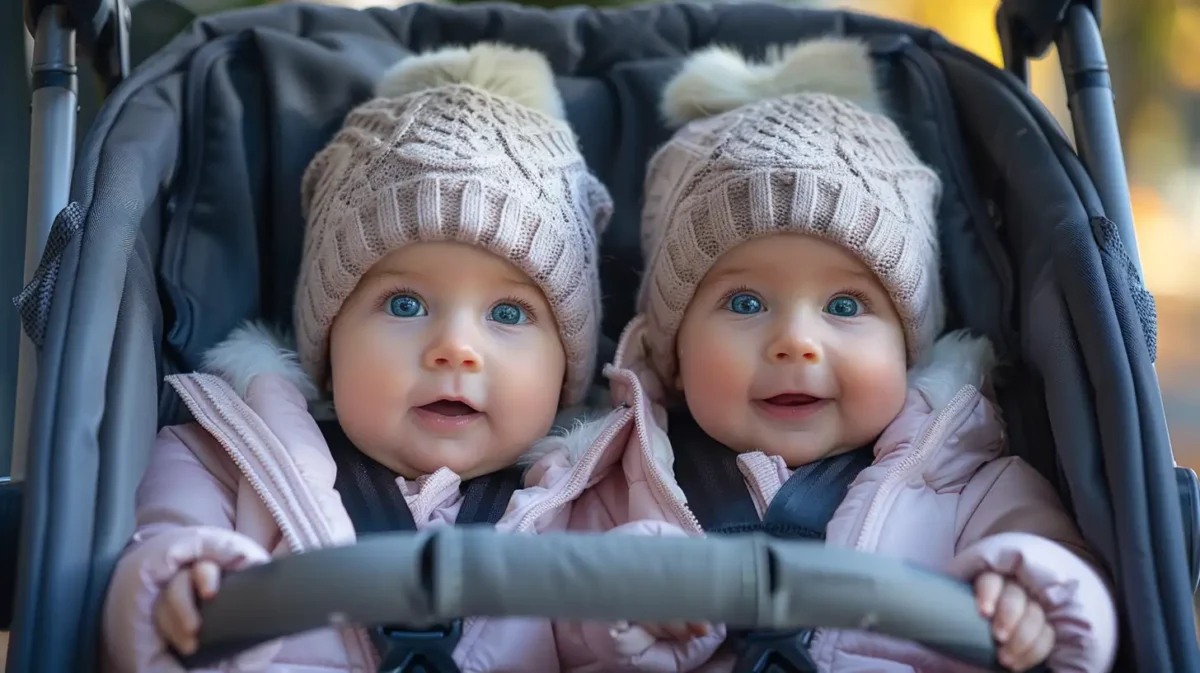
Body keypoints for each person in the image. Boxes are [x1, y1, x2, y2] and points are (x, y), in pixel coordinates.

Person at [563, 37, 1118, 672]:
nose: (796, 341)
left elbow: (1081, 593)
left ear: (907, 348)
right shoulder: (609, 485)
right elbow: (524, 636)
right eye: (745, 303)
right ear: (675, 356)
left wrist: (1036, 595)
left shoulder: (968, 486)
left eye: (847, 306)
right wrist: (619, 601)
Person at [100, 42, 617, 673]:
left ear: (567, 366)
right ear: (329, 339)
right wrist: (177, 584)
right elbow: (154, 553)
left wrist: (655, 619)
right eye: (404, 304)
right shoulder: (222, 461)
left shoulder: (589, 504)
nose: (455, 348)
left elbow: (620, 646)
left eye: (508, 314)